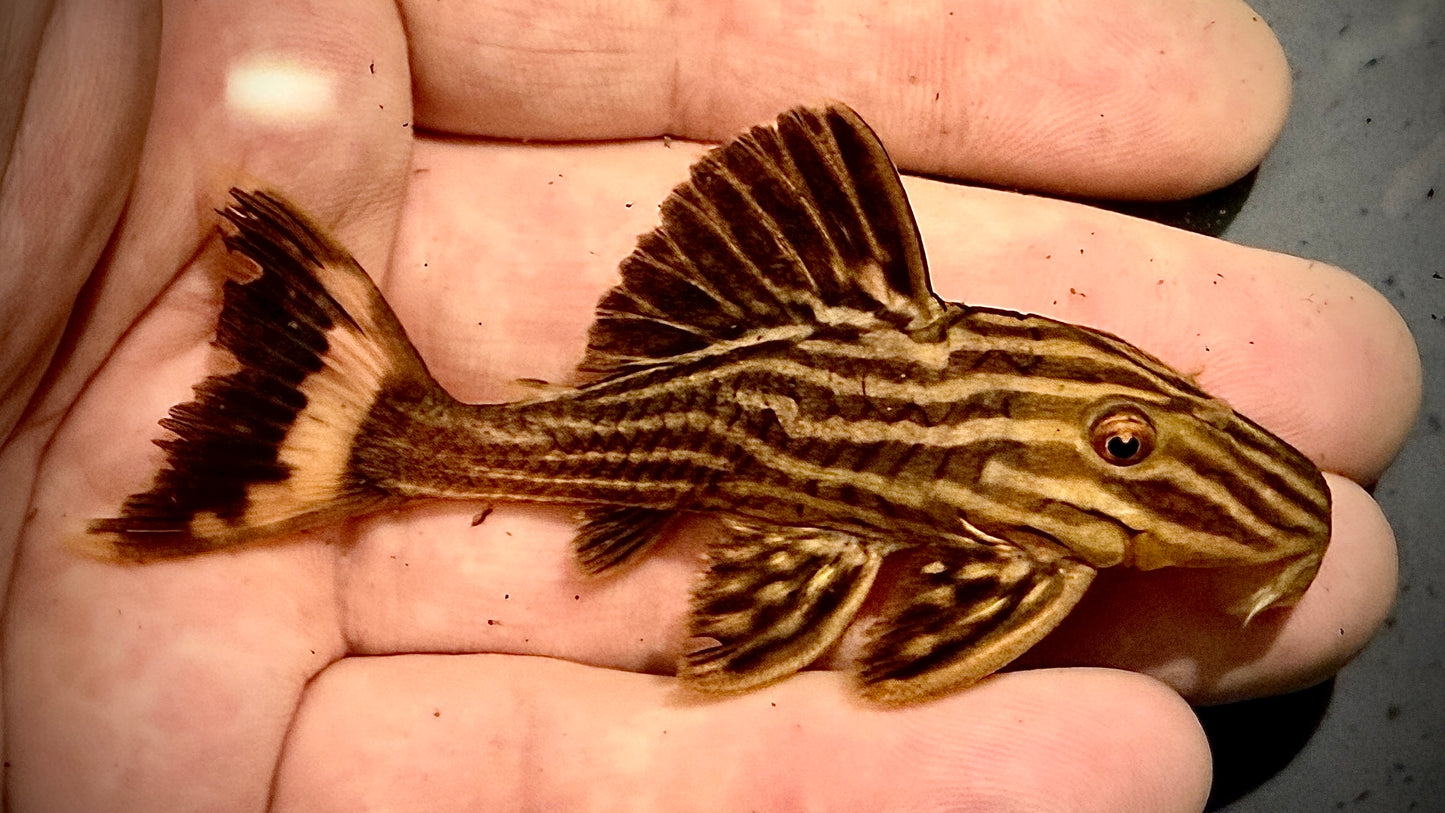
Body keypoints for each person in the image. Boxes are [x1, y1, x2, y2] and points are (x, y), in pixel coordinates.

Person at [0, 1, 1419, 809]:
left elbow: (911, 650)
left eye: (1137, 429)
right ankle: (372, 435)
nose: (1146, 449)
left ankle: (371, 436)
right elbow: (915, 651)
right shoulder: (1011, 537)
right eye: (1121, 440)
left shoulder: (1051, 530)